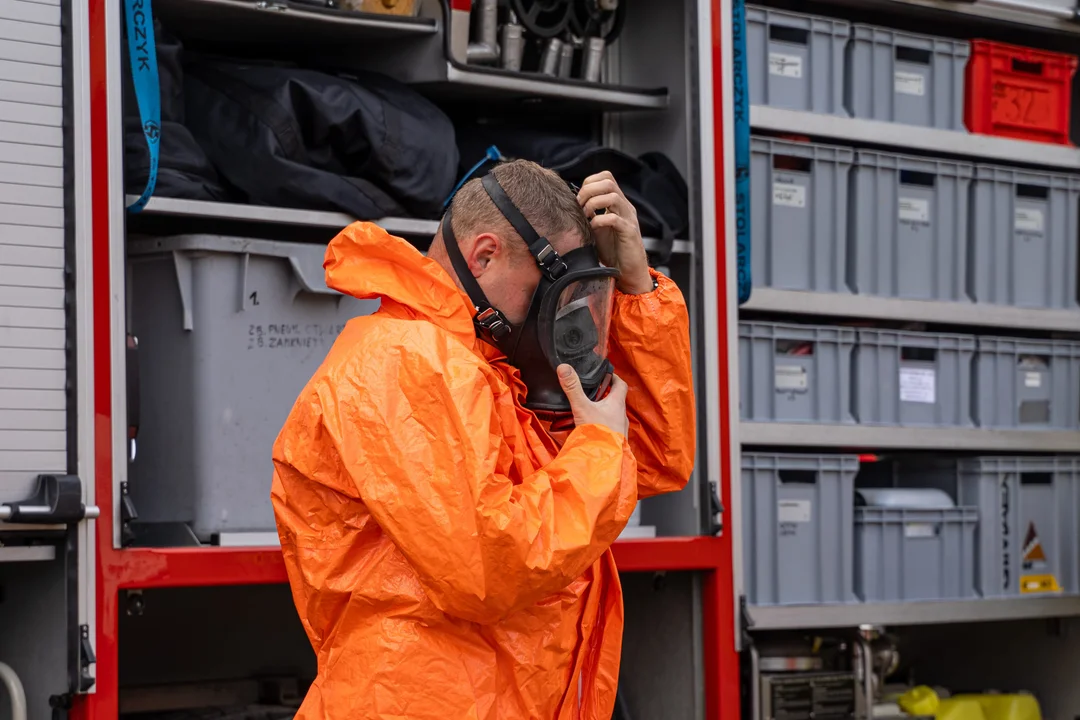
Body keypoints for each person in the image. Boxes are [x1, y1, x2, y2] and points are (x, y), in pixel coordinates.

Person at [271, 159, 695, 719]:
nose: (559, 313)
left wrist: (639, 288)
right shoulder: (403, 362)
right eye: (550, 288)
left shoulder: (489, 370)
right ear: (485, 254)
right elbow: (488, 567)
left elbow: (649, 458)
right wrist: (596, 443)